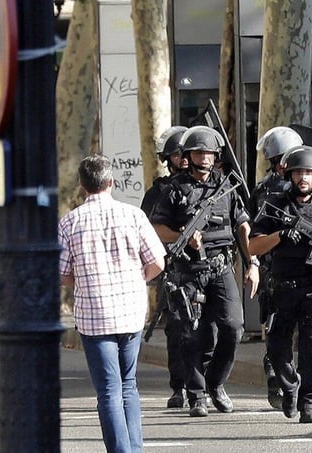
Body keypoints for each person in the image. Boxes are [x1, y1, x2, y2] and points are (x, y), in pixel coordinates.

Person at [59, 154, 165, 453]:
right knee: (129, 385)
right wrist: (136, 280)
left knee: (108, 390)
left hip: (94, 315)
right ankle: (135, 448)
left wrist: (83, 279)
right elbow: (157, 261)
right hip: (131, 312)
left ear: (82, 186)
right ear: (111, 182)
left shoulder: (70, 222)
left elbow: (60, 273)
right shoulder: (134, 216)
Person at [150, 125, 258, 418]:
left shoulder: (227, 187)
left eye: (209, 153)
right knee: (190, 334)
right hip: (187, 270)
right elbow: (156, 229)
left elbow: (243, 228)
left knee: (233, 327)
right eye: (199, 152)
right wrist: (181, 234)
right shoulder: (173, 190)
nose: (205, 158)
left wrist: (253, 264)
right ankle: (196, 394)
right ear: (188, 155)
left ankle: (216, 383)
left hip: (221, 267)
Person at [249, 145, 312, 424]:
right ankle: (289, 386)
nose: (303, 178)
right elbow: (253, 245)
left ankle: (308, 403)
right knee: (278, 350)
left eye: (308, 173)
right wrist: (281, 235)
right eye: (298, 172)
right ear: (289, 175)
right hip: (282, 288)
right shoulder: (276, 205)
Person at [142, 125, 198, 409]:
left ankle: (206, 383)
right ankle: (181, 387)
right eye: (178, 154)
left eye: (187, 153)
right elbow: (147, 229)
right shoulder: (160, 191)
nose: (185, 159)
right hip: (173, 266)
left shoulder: (205, 186)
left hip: (205, 265)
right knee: (178, 329)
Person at [250, 126, 304, 409]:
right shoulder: (277, 191)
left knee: (277, 328)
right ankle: (281, 375)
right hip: (282, 268)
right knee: (285, 329)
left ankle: (278, 373)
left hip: (277, 269)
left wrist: (253, 263)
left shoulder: (263, 188)